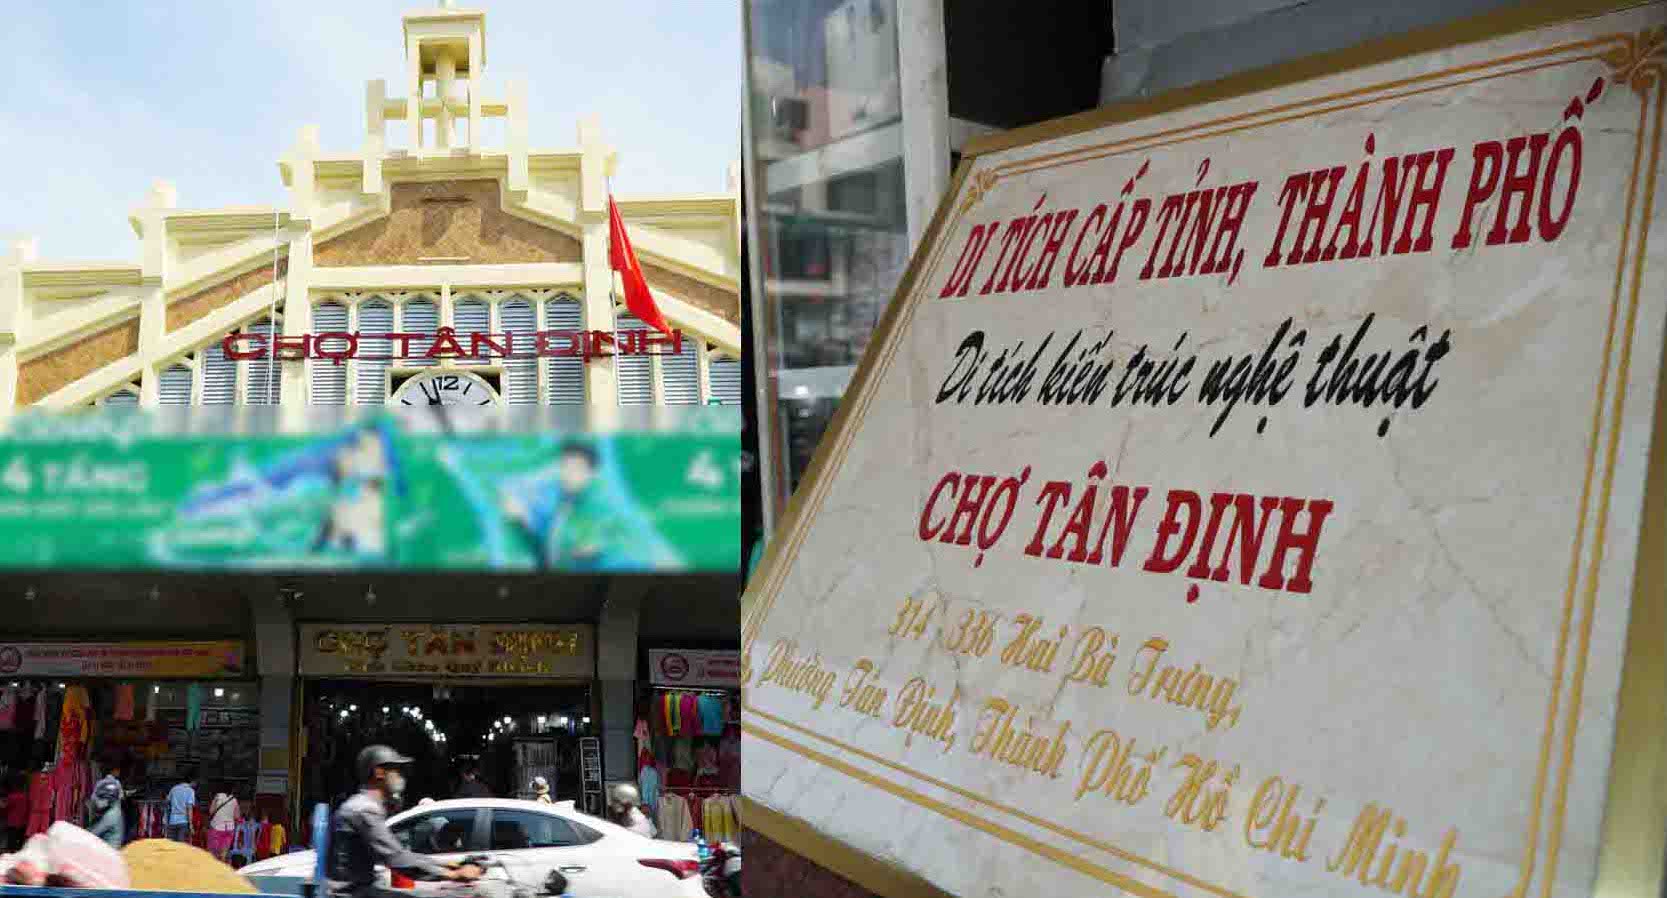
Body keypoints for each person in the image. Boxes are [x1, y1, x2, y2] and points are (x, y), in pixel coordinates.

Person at [328, 746, 481, 898]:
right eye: (397, 770)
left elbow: (401, 854)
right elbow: (397, 859)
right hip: (352, 893)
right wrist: (453, 874)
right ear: (379, 773)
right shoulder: (364, 809)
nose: (401, 777)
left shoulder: (366, 805)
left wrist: (448, 864)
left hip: (362, 889)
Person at [83, 777, 124, 849]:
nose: (96, 801)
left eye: (100, 798)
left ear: (108, 799)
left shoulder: (111, 815)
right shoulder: (113, 809)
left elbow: (92, 833)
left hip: (109, 853)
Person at [206, 785, 240, 860]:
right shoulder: (234, 799)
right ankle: (222, 865)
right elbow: (237, 816)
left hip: (217, 827)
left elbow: (211, 811)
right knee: (223, 853)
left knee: (213, 853)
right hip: (229, 828)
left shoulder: (217, 797)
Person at [165, 774, 197, 842]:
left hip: (172, 820)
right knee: (181, 846)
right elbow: (189, 808)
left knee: (171, 846)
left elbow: (167, 801)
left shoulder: (174, 789)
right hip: (183, 821)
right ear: (192, 782)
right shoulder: (190, 791)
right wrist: (191, 824)